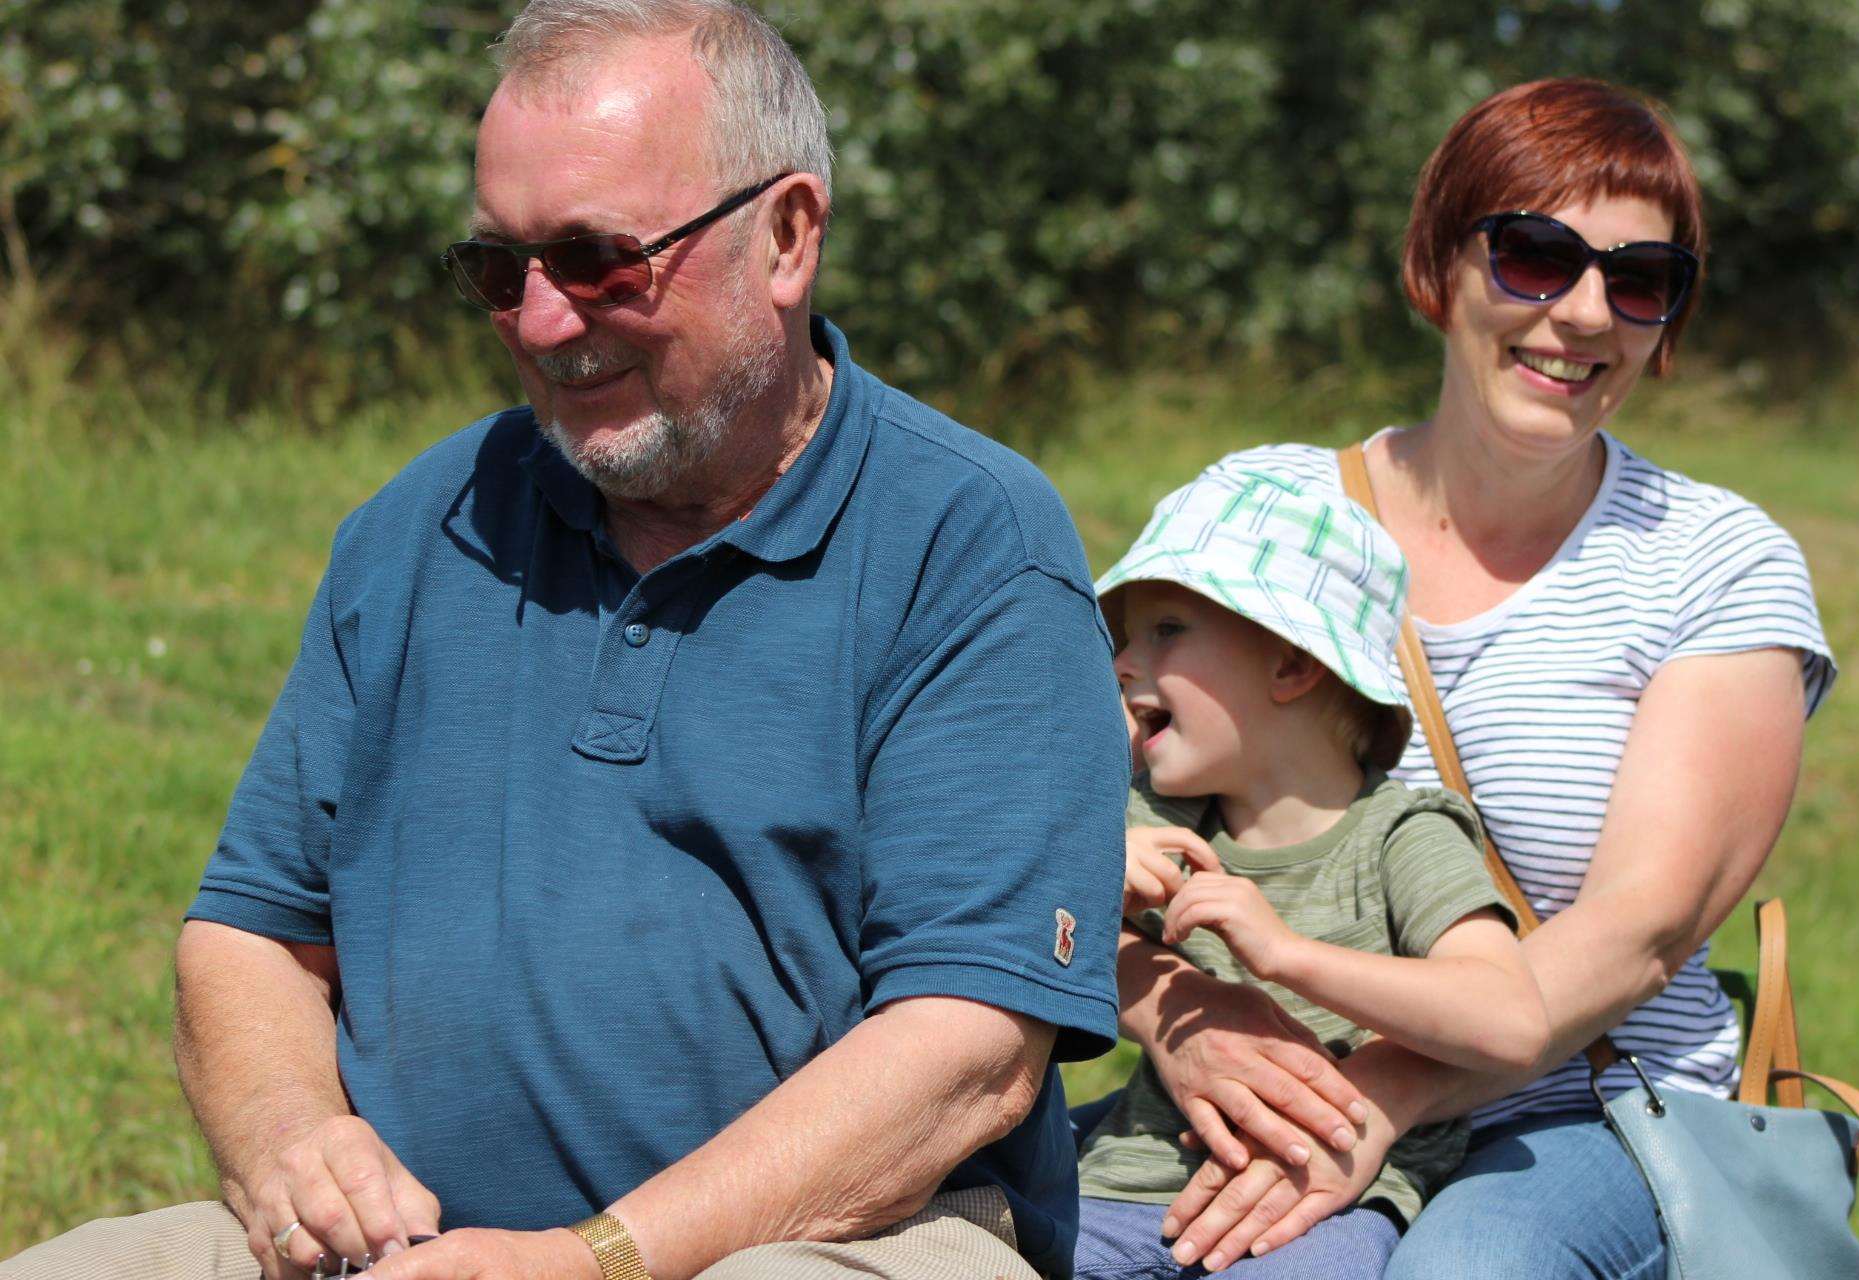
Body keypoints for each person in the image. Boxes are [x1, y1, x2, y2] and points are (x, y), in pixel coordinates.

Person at [0, 4, 1128, 1280]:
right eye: (499, 268)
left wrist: (592, 1259)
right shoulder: (421, 526)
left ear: (788, 236)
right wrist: (296, 1142)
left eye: (599, 261)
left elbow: (967, 1048)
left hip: (837, 1238)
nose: (540, 321)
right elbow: (252, 930)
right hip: (413, 1248)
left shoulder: (967, 543)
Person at [1105, 78, 1833, 1278]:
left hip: (1578, 1108)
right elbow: (1077, 816)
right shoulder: (1268, 515)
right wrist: (1166, 1010)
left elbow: (1635, 936)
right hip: (1243, 1100)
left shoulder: (1717, 560)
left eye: (1641, 279)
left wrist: (1367, 1102)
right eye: (1537, 256)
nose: (1586, 313)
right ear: (1440, 265)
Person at [1071, 476, 1548, 1280]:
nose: (1122, 662)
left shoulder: (1402, 836)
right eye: (1125, 636)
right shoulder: (1152, 821)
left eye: (1166, 630)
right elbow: (1003, 926)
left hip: (1316, 1219)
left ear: (1292, 662)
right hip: (1121, 1195)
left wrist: (1289, 956)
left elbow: (1510, 1021)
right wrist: (1087, 878)